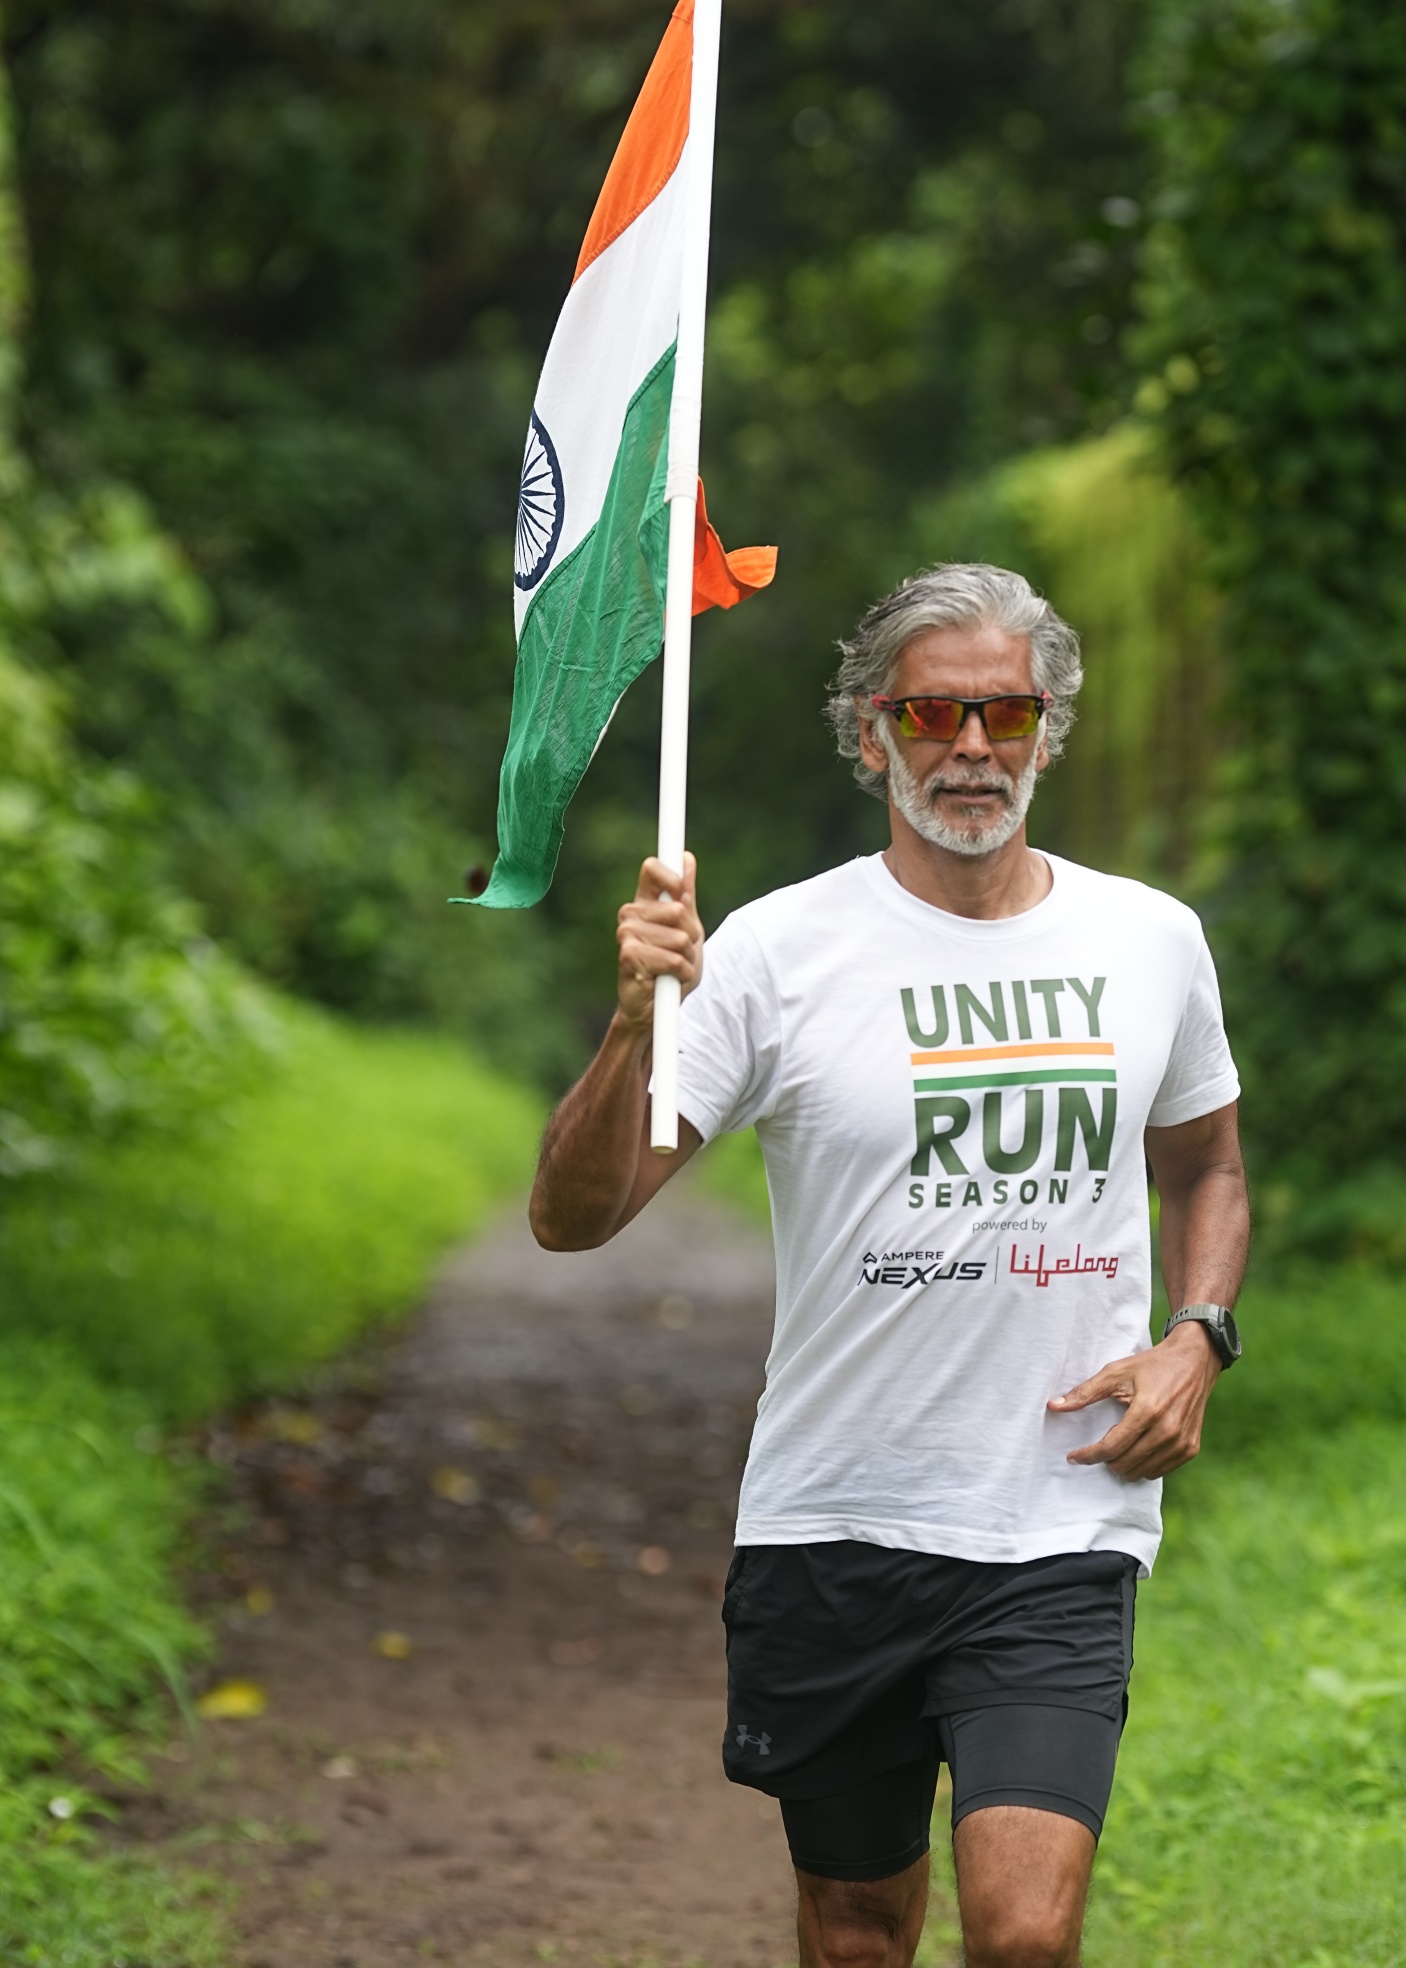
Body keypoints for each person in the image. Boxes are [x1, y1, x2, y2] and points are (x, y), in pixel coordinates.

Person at [530, 562, 1249, 1968]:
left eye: (1005, 714)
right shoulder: (777, 951)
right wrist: (631, 1027)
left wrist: (1198, 1334)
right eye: (932, 715)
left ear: (1049, 731)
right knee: (859, 1932)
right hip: (838, 1521)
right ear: (872, 735)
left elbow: (1206, 1162)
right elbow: (577, 1215)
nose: (971, 748)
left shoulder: (1151, 941)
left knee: (1024, 1932)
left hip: (1057, 1521)